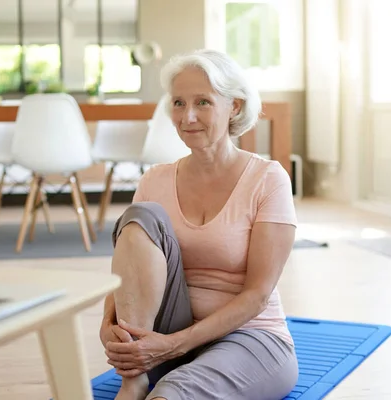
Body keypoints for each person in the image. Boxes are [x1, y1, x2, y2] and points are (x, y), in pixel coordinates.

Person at [99, 49, 299, 400]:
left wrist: (172, 346)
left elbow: (257, 296)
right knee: (141, 216)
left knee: (172, 395)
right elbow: (127, 270)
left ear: (234, 106)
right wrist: (110, 327)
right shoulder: (155, 179)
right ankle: (134, 382)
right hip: (166, 336)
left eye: (203, 102)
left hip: (249, 336)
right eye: (178, 103)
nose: (187, 116)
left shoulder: (268, 179)